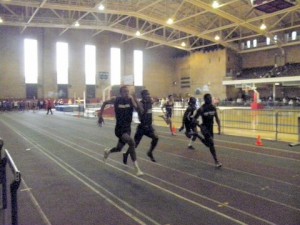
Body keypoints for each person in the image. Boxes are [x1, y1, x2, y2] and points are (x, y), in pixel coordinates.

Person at [97, 85, 144, 176]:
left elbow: (140, 110)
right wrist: (100, 116)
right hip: (119, 129)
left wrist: (135, 99)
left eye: (128, 92)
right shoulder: (116, 99)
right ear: (121, 93)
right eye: (125, 92)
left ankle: (108, 151)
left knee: (119, 148)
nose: (127, 93)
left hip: (127, 129)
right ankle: (137, 168)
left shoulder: (131, 100)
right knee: (131, 142)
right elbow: (104, 103)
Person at [123, 90, 159, 164]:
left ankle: (149, 152)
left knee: (156, 138)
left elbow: (154, 100)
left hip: (149, 126)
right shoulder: (141, 104)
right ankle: (126, 154)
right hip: (142, 128)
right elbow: (140, 109)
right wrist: (134, 98)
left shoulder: (150, 102)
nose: (149, 95)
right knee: (135, 145)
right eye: (147, 94)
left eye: (149, 94)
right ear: (143, 96)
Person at [193, 93, 222, 168]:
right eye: (208, 98)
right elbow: (194, 119)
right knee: (211, 143)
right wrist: (199, 126)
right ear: (205, 99)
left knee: (208, 145)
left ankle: (197, 135)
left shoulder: (213, 108)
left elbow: (217, 118)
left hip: (211, 128)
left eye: (210, 98)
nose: (210, 99)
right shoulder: (201, 109)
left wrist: (219, 127)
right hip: (204, 128)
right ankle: (216, 161)